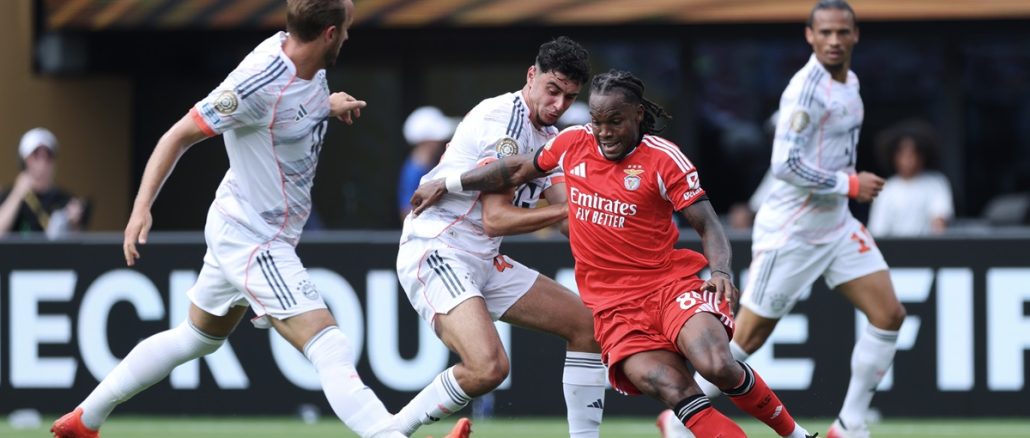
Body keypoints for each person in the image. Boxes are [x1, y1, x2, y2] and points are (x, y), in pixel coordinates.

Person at [50, 2, 422, 438]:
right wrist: (140, 208)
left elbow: (289, 115)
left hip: (246, 222)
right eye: (346, 29)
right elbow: (178, 135)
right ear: (327, 33)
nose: (348, 36)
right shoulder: (255, 82)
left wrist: (326, 104)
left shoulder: (313, 66)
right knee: (329, 344)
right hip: (254, 236)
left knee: (196, 337)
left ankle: (84, 419)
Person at [410, 69, 816, 438]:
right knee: (674, 388)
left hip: (668, 287)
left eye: (615, 121)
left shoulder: (663, 158)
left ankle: (796, 435)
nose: (603, 133)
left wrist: (723, 270)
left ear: (638, 115)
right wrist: (448, 181)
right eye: (597, 121)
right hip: (615, 310)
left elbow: (708, 224)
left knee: (717, 365)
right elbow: (514, 170)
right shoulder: (573, 143)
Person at [694, 2, 906, 438]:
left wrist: (843, 196)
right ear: (809, 36)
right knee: (744, 343)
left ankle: (849, 425)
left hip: (837, 226)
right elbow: (785, 165)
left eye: (841, 32)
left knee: (889, 314)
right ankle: (682, 413)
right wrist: (849, 185)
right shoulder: (805, 90)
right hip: (792, 230)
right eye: (824, 32)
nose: (833, 40)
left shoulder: (851, 82)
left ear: (855, 35)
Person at [383, 37, 606, 438]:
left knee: (589, 326)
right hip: (439, 247)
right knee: (488, 368)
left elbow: (568, 219)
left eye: (569, 97)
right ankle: (391, 432)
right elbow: (497, 219)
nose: (558, 105)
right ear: (531, 76)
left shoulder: (549, 136)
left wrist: (616, 210)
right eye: (552, 91)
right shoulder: (505, 122)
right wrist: (570, 209)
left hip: (482, 258)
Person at [867, 120, 953, 236]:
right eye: (903, 154)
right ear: (894, 157)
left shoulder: (936, 183)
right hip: (894, 252)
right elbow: (877, 231)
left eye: (913, 154)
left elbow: (939, 223)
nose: (908, 160)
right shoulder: (885, 189)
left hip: (927, 251)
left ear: (922, 156)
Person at [0, 127, 88, 239]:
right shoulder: (8, 195)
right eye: (36, 155)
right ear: (24, 161)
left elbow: (77, 247)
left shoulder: (65, 199)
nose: (42, 163)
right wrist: (17, 193)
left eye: (48, 156)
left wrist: (74, 224)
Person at [397, 106, 456, 221]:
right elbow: (406, 210)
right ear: (427, 140)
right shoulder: (415, 170)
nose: (441, 142)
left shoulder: (428, 164)